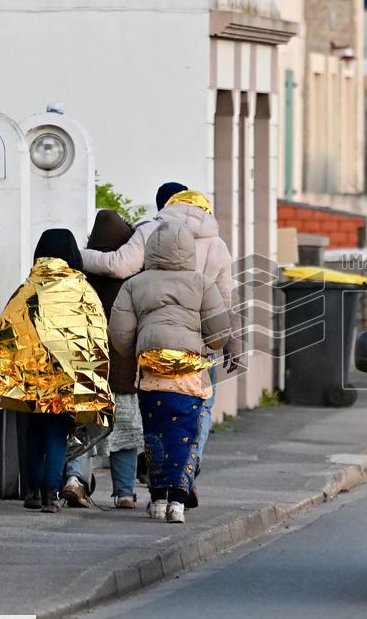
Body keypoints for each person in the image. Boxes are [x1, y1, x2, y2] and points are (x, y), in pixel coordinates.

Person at [82, 182, 239, 507]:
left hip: (151, 352)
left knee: (153, 421)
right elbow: (224, 304)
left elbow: (119, 267)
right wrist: (228, 343)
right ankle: (186, 471)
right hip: (199, 351)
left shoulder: (151, 232)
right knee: (199, 414)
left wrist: (74, 254)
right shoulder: (217, 244)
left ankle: (160, 486)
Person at [0, 229, 113, 513]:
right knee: (57, 434)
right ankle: (51, 493)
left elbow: (6, 332)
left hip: (30, 380)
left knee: (34, 431)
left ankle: (33, 490)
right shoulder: (83, 292)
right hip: (67, 381)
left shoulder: (26, 289)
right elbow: (96, 337)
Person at [109, 221, 231, 524]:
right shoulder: (202, 284)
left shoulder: (134, 284)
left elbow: (120, 334)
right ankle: (177, 501)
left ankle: (158, 498)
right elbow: (219, 334)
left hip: (151, 374)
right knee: (185, 435)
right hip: (189, 375)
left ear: (151, 249)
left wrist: (140, 349)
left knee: (155, 434)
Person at [62, 210, 145, 509]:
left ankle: (75, 481)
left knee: (83, 430)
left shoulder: (78, 275)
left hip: (88, 369)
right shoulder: (135, 279)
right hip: (124, 370)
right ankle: (124, 493)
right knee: (126, 434)